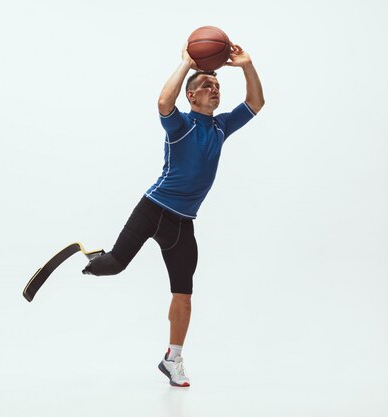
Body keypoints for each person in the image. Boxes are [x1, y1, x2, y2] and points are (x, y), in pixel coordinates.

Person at [82, 42, 264, 387]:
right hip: (153, 208)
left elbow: (256, 103)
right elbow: (164, 102)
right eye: (206, 86)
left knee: (184, 293)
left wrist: (247, 66)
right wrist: (185, 64)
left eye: (217, 86)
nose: (215, 89)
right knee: (113, 266)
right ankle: (89, 256)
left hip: (183, 224)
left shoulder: (222, 127)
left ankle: (173, 359)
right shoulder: (181, 124)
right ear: (192, 97)